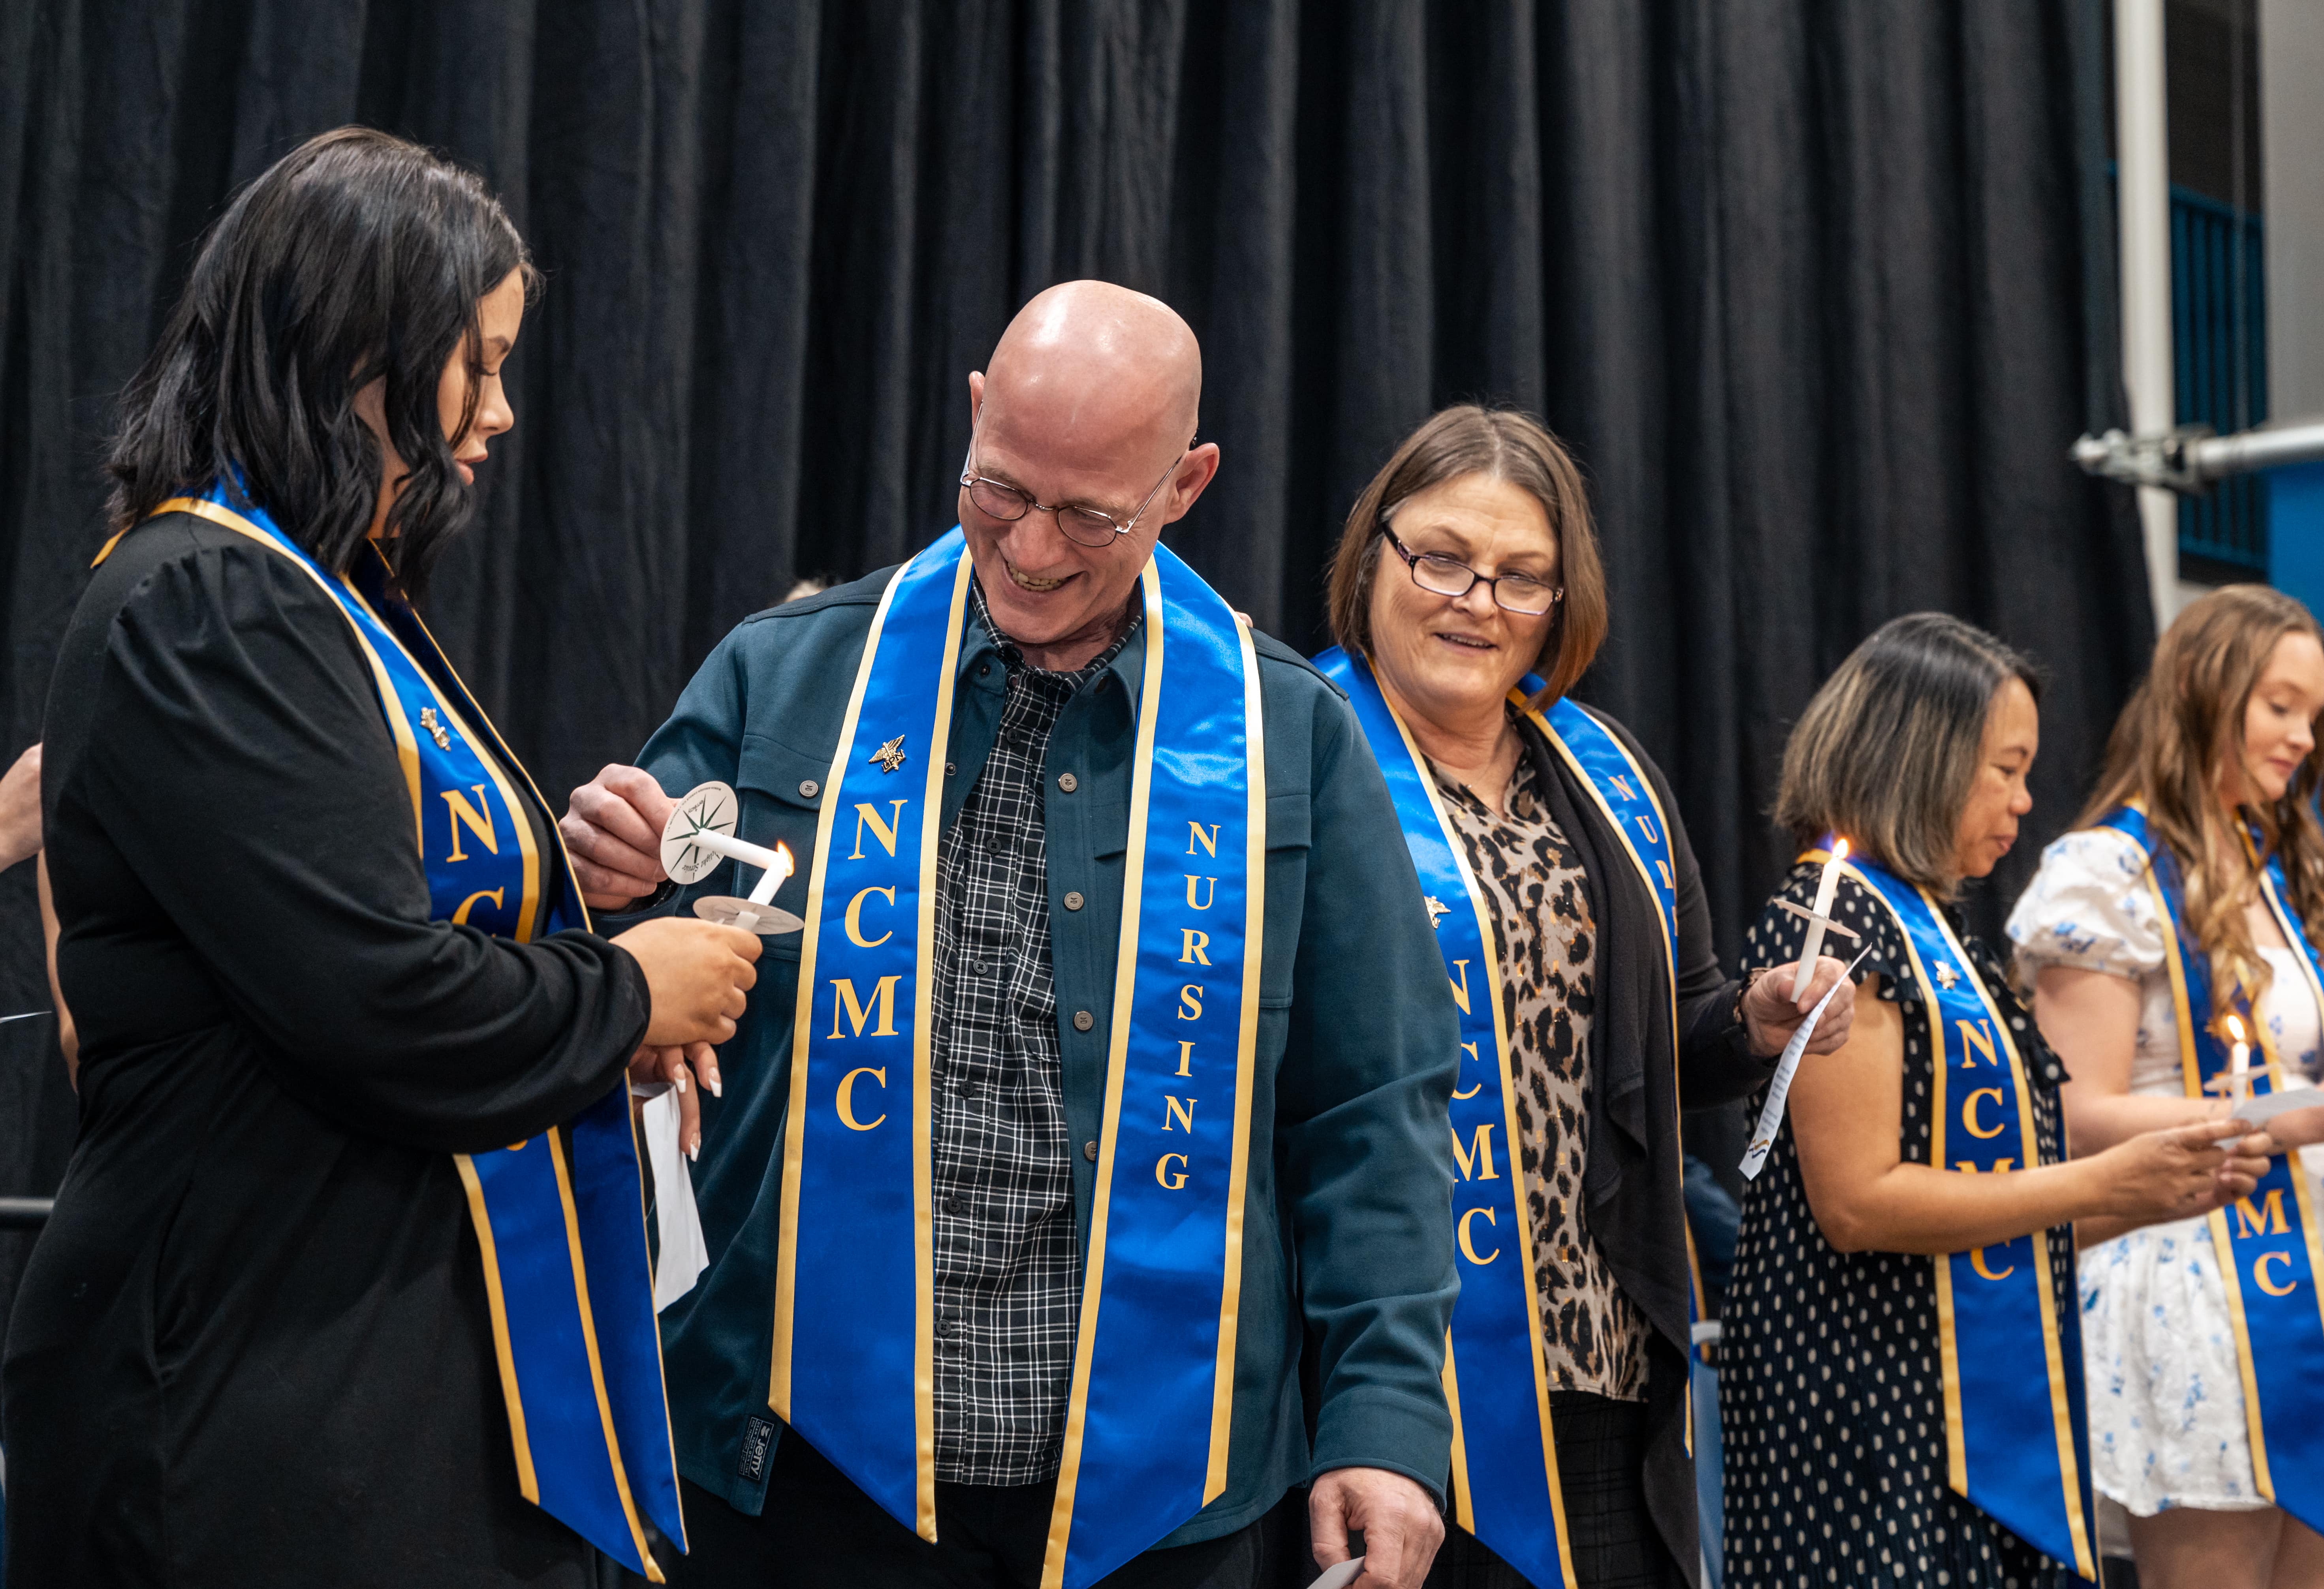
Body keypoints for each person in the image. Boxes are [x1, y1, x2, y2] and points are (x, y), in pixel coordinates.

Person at [560, 281, 1463, 1589]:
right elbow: (625, 993)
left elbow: (1371, 1109)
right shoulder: (783, 675)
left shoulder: (1286, 743)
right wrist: (610, 888)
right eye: (999, 491)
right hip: (803, 1473)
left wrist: (1383, 1423)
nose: (1031, 548)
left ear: (1186, 482)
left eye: (1090, 514)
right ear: (975, 416)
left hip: (1158, 1496)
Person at [8, 128, 760, 1588]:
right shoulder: (209, 600)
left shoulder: (315, 588)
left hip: (350, 1347)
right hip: (236, 1375)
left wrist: (566, 896)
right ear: (357, 345)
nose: (499, 413)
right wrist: (624, 994)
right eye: (473, 363)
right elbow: (372, 994)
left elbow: (376, 917)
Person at [1307, 404, 1856, 1589]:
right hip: (1382, 1386)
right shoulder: (1295, 754)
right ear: (1375, 555)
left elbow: (1680, 1035)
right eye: (1442, 558)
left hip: (1600, 1363)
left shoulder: (1603, 770)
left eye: (1522, 578)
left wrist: (1756, 1023)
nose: (1477, 601)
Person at [1719, 613, 2268, 1588]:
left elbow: (1998, 1203)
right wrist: (2102, 1176)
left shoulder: (1944, 929)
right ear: (1921, 757)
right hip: (1865, 1422)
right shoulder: (1831, 914)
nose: (2025, 799)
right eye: (2004, 768)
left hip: (1974, 1409)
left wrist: (2153, 1194)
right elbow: (1859, 1205)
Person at [2010, 586, 2324, 1587]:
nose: (2304, 735)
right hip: (2190, 1285)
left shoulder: (2306, 877)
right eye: (2279, 704)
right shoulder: (2107, 874)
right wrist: (2310, 1113)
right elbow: (2076, 1113)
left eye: (2314, 713)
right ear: (2204, 692)